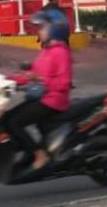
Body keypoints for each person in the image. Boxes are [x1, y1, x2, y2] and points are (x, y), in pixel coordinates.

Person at [6, 9, 73, 170]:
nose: (39, 31)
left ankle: (39, 154)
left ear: (55, 29)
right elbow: (33, 74)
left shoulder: (61, 53)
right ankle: (29, 152)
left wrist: (42, 80)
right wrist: (8, 79)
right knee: (7, 118)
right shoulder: (46, 50)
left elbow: (64, 83)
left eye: (43, 27)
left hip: (54, 101)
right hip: (42, 97)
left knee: (14, 122)